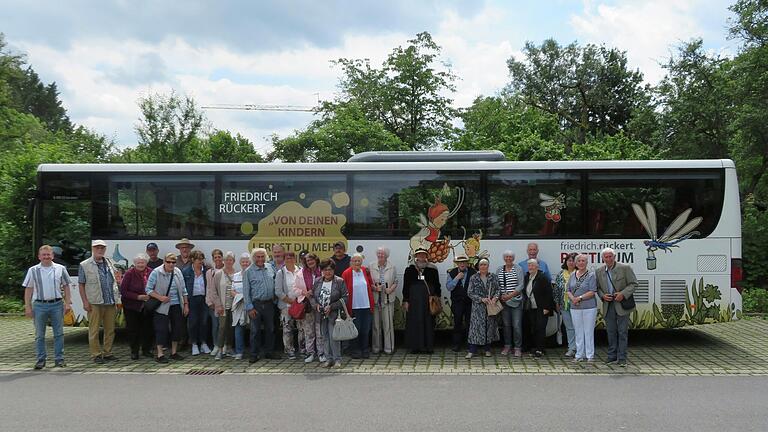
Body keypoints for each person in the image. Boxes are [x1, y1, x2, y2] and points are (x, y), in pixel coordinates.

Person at [23, 245, 72, 369]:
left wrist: (68, 303)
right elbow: (28, 289)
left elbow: (66, 286)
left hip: (57, 304)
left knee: (59, 333)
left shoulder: (60, 269)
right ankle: (40, 360)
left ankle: (59, 359)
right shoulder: (33, 270)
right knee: (39, 334)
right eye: (43, 255)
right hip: (39, 305)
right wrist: (28, 307)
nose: (46, 257)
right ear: (39, 256)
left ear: (53, 256)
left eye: (48, 254)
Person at [78, 239, 120, 364]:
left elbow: (115, 280)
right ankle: (96, 354)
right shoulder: (84, 265)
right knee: (94, 330)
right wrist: (85, 302)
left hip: (110, 302)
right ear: (92, 249)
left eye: (102, 248)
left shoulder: (109, 262)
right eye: (97, 248)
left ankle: (107, 353)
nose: (100, 250)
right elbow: (81, 285)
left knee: (110, 329)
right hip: (94, 302)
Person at [596, 247, 638, 367]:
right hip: (608, 305)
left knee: (622, 332)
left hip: (621, 305)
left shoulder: (625, 268)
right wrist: (603, 296)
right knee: (611, 332)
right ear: (603, 258)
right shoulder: (599, 271)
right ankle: (611, 356)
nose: (608, 259)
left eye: (610, 256)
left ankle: (622, 358)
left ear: (614, 257)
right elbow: (597, 288)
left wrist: (623, 294)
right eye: (606, 257)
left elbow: (634, 284)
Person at [146, 253, 188, 363]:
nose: (171, 264)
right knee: (161, 329)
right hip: (162, 305)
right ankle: (160, 354)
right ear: (164, 261)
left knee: (177, 328)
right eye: (168, 262)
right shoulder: (156, 272)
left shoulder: (178, 272)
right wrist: (160, 298)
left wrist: (186, 304)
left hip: (176, 305)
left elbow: (184, 290)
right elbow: (148, 289)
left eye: (173, 262)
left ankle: (174, 352)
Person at [310, 259, 348, 368]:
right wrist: (315, 305)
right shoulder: (317, 281)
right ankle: (328, 359)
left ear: (333, 270)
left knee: (334, 337)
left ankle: (337, 359)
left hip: (334, 315)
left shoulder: (339, 281)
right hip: (320, 315)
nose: (328, 272)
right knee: (324, 337)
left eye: (330, 270)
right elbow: (312, 296)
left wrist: (332, 306)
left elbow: (345, 298)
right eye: (325, 270)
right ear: (321, 270)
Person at [403, 248, 441, 354]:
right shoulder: (410, 269)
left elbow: (437, 285)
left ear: (426, 256)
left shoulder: (433, 268)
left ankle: (428, 347)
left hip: (428, 300)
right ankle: (415, 347)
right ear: (416, 256)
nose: (421, 256)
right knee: (415, 322)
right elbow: (406, 286)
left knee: (428, 323)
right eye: (419, 255)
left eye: (423, 255)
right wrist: (406, 300)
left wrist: (437, 297)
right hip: (414, 301)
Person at [243, 247, 277, 363]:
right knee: (255, 331)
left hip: (269, 304)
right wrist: (249, 307)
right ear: (253, 258)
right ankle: (254, 354)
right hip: (256, 305)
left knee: (270, 329)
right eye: (258, 257)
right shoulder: (248, 271)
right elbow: (246, 291)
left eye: (262, 256)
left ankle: (269, 352)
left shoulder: (270, 268)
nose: (260, 259)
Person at [119, 253, 153, 360]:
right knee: (133, 329)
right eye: (138, 263)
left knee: (147, 329)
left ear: (146, 263)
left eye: (142, 262)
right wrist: (138, 297)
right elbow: (123, 291)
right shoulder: (129, 273)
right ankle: (134, 351)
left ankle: (147, 350)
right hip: (131, 306)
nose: (140, 264)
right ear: (135, 263)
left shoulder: (151, 272)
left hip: (147, 305)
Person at [341, 253, 375, 359]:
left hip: (366, 305)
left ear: (361, 262)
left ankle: (365, 349)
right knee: (356, 330)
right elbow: (343, 290)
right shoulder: (346, 273)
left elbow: (370, 284)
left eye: (359, 261)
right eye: (354, 261)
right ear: (351, 262)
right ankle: (355, 350)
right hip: (354, 307)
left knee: (365, 329)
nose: (356, 263)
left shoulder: (365, 271)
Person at [465, 258, 500, 358]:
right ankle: (472, 350)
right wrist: (481, 299)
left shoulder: (493, 277)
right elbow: (470, 292)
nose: (483, 266)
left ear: (488, 266)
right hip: (478, 307)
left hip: (490, 306)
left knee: (489, 328)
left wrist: (495, 298)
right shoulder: (473, 277)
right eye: (481, 265)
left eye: (485, 264)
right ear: (478, 266)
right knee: (475, 329)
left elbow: (498, 289)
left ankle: (487, 349)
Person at [567, 254, 598, 363]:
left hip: (589, 307)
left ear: (586, 262)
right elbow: (568, 290)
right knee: (578, 331)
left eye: (583, 261)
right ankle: (579, 354)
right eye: (579, 261)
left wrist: (579, 298)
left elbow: (592, 291)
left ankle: (590, 355)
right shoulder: (572, 275)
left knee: (588, 331)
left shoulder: (591, 275)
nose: (581, 262)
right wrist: (573, 299)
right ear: (576, 263)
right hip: (575, 308)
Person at [368, 247, 398, 355]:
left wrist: (391, 289)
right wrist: (374, 288)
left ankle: (389, 348)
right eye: (379, 254)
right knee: (376, 325)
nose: (380, 255)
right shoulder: (371, 266)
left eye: (383, 254)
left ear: (386, 255)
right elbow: (368, 282)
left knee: (388, 324)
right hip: (376, 299)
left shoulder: (392, 266)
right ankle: (376, 348)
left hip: (388, 299)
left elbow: (396, 281)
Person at [209, 251, 238, 360]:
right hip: (223, 307)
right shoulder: (218, 274)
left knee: (231, 328)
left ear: (234, 261)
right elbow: (213, 291)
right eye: (226, 260)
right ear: (223, 261)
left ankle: (229, 348)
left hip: (235, 306)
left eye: (230, 260)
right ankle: (220, 350)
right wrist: (218, 305)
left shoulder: (237, 273)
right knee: (222, 328)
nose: (228, 262)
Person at [522, 259, 554, 358]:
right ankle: (536, 348)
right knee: (534, 328)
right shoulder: (527, 277)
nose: (531, 267)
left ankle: (540, 349)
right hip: (531, 308)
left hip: (542, 308)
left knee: (541, 328)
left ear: (537, 267)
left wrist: (547, 307)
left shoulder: (543, 277)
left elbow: (549, 294)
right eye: (529, 266)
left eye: (533, 266)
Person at [446, 254, 476, 352]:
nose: (462, 264)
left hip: (469, 302)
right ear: (457, 264)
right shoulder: (452, 273)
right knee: (457, 322)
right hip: (457, 302)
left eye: (464, 262)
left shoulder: (473, 272)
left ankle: (470, 344)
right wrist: (457, 278)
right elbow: (449, 287)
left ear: (467, 263)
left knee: (470, 323)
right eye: (460, 262)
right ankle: (456, 344)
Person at [298, 252, 325, 364]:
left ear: (316, 260)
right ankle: (310, 353)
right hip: (308, 305)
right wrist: (304, 292)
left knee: (320, 331)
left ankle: (321, 353)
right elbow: (294, 289)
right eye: (307, 260)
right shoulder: (301, 273)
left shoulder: (322, 271)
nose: (310, 262)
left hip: (320, 305)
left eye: (311, 259)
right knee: (309, 331)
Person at [182, 250, 210, 356]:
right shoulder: (186, 271)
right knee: (193, 323)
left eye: (202, 259)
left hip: (204, 299)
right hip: (191, 300)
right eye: (198, 259)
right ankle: (194, 344)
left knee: (204, 322)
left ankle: (203, 343)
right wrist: (186, 304)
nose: (201, 261)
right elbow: (183, 289)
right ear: (193, 260)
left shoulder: (206, 271)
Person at [497, 251, 524, 357]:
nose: (508, 258)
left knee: (517, 325)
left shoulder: (518, 269)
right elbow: (497, 284)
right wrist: (500, 296)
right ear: (504, 258)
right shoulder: (499, 269)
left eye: (511, 257)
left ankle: (517, 347)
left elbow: (521, 285)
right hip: (504, 303)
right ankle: (507, 346)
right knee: (506, 325)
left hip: (516, 301)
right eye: (507, 257)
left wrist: (510, 295)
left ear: (513, 258)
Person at [275, 251, 302, 359]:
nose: (289, 259)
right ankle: (289, 350)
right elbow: (278, 291)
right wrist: (290, 301)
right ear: (284, 260)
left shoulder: (300, 271)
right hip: (286, 305)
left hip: (300, 305)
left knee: (301, 328)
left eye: (291, 258)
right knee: (287, 328)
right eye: (287, 258)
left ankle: (303, 350)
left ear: (295, 259)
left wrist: (299, 300)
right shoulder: (280, 273)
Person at [554, 253, 578, 358]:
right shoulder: (560, 274)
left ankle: (581, 348)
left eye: (573, 260)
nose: (571, 262)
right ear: (566, 262)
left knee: (579, 327)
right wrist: (557, 303)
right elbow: (556, 291)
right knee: (569, 328)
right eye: (569, 260)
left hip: (578, 305)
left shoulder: (580, 273)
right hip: (564, 305)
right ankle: (572, 348)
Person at [230, 253, 252, 360]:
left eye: (247, 261)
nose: (245, 263)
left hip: (251, 304)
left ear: (250, 263)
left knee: (253, 329)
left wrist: (247, 297)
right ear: (240, 263)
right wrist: (240, 296)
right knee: (238, 328)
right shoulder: (236, 275)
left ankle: (253, 351)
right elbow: (232, 291)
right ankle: (239, 351)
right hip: (239, 304)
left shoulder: (253, 274)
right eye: (243, 262)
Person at [206, 248, 224, 357]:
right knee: (215, 325)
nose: (217, 259)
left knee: (224, 326)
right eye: (215, 257)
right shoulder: (210, 272)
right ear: (213, 259)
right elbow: (208, 288)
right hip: (213, 304)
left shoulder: (227, 270)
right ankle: (215, 346)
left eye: (219, 257)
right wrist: (209, 302)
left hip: (225, 303)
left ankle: (224, 346)